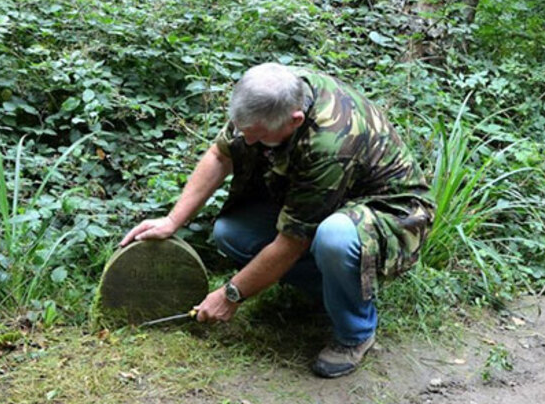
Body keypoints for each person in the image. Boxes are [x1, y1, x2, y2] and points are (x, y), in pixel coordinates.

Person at [119, 63, 433, 378]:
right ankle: (331, 292)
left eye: (258, 136)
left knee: (334, 238)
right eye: (244, 132)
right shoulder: (267, 96)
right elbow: (220, 155)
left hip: (390, 214)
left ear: (295, 121)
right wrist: (173, 220)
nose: (249, 141)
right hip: (325, 201)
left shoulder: (328, 142)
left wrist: (231, 294)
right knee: (231, 233)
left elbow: (292, 242)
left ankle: (356, 333)